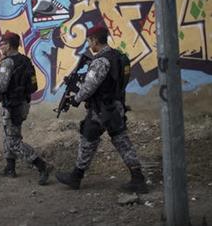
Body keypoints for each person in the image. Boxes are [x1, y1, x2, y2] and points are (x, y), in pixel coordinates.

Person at [55, 25, 148, 193]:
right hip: (115, 106)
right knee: (121, 140)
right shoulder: (119, 57)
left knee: (87, 138)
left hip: (102, 110)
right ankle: (138, 177)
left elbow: (90, 86)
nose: (89, 44)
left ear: (95, 40)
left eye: (89, 40)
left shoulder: (101, 61)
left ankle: (76, 176)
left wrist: (75, 99)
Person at [0, 31, 52, 185]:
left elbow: (1, 86)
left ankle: (42, 165)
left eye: (2, 44)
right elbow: (32, 85)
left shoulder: (7, 62)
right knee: (8, 135)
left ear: (8, 45)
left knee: (13, 141)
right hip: (22, 104)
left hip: (12, 106)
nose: (0, 47)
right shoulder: (25, 60)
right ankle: (10, 167)